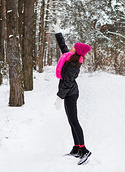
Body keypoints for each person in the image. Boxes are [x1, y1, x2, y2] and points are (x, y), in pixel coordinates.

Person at [53, 21, 92, 165]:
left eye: (74, 47)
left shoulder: (74, 66)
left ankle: (84, 150)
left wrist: (59, 97)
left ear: (77, 51)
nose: (72, 47)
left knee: (74, 121)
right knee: (71, 121)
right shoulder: (69, 57)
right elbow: (62, 46)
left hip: (71, 94)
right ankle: (76, 148)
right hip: (69, 93)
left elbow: (67, 83)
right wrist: (58, 32)